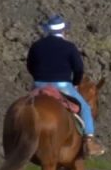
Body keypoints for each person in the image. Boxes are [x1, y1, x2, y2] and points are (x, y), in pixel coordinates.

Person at [25, 14, 104, 155]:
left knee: (25, 105)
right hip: (62, 85)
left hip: (39, 84)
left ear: (47, 31)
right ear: (63, 31)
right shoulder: (69, 47)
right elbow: (79, 69)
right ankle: (89, 142)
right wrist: (75, 84)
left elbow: (30, 66)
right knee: (85, 108)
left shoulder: (36, 46)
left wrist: (39, 79)